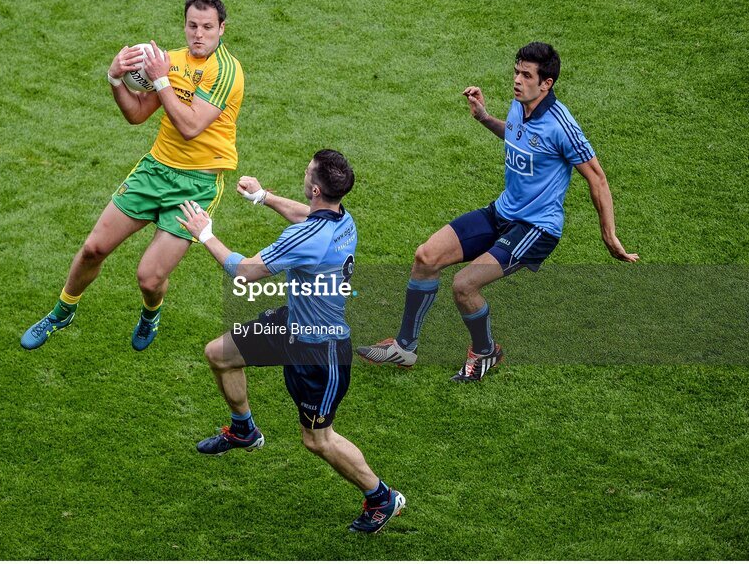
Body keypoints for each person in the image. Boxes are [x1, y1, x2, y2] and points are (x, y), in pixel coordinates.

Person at [358, 42, 638, 380]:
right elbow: (516, 136)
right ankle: (404, 349)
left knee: (464, 286)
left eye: (526, 75)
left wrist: (609, 235)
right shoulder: (520, 106)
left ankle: (487, 352)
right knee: (426, 257)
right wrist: (485, 118)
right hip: (503, 211)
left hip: (536, 228)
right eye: (516, 72)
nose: (517, 80)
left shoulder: (561, 126)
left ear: (546, 83)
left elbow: (597, 178)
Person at [176, 150, 405, 534]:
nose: (303, 174)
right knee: (220, 354)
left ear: (316, 188)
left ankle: (382, 496)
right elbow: (307, 215)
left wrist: (205, 234)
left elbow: (245, 272)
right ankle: (244, 430)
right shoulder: (342, 218)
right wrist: (262, 197)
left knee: (318, 440)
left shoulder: (305, 239)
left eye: (307, 173)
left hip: (320, 353)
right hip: (290, 325)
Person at [21, 0, 244, 351]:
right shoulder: (170, 61)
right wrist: (115, 80)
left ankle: (150, 313)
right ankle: (62, 312)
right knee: (94, 247)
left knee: (149, 277)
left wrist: (161, 81)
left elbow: (190, 127)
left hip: (197, 185)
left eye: (207, 27)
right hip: (155, 169)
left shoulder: (227, 72)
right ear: (184, 25)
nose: (198, 35)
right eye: (191, 26)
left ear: (222, 29)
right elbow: (137, 114)